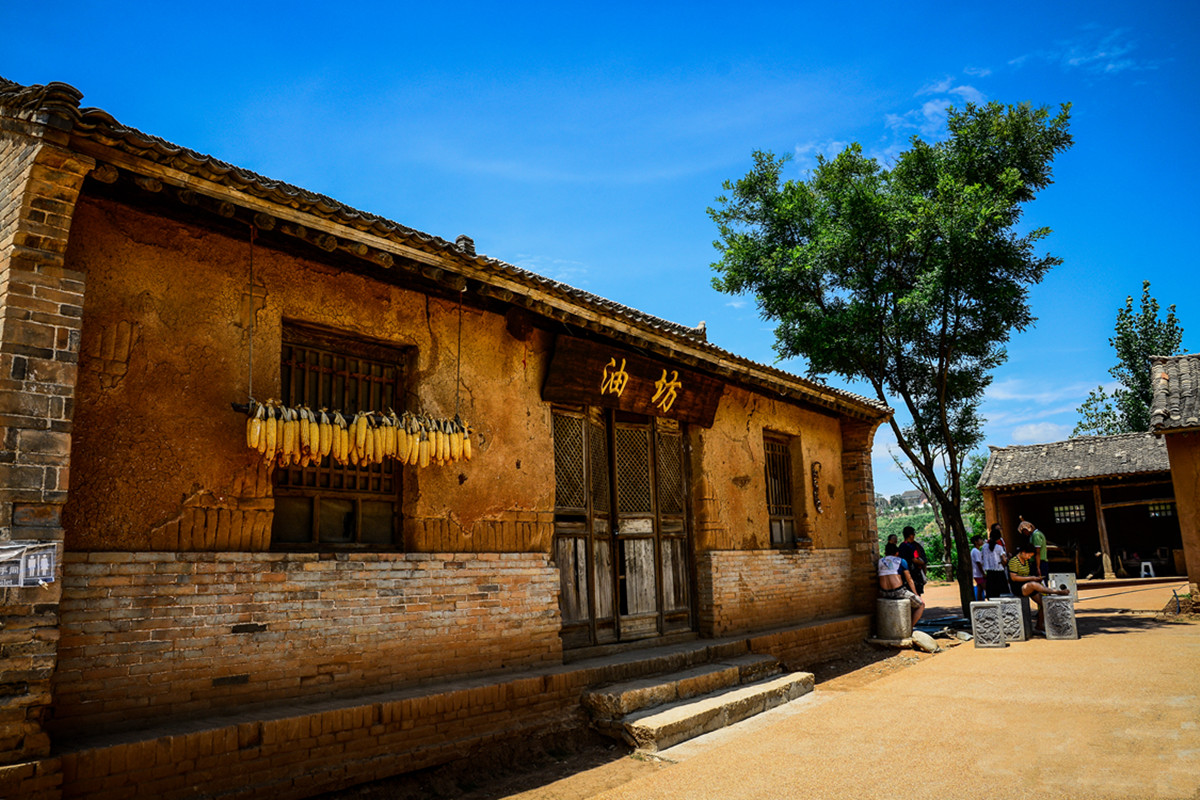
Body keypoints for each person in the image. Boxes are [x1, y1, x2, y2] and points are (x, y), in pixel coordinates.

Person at [1008, 542, 1070, 633]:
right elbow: (1014, 577)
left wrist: (1035, 578)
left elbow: (1028, 574)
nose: (1029, 557)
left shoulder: (1026, 561)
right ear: (1023, 552)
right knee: (1032, 584)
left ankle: (1039, 625)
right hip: (1018, 587)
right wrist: (1031, 578)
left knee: (1044, 603)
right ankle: (1057, 592)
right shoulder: (1013, 561)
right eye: (1029, 555)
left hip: (1027, 585)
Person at [878, 542, 924, 626]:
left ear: (885, 553)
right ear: (897, 553)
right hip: (898, 592)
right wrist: (916, 594)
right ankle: (909, 628)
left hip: (883, 592)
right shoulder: (901, 561)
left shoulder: (880, 562)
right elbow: (909, 579)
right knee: (921, 605)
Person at [897, 526, 928, 596]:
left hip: (904, 576)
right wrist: (922, 563)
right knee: (917, 595)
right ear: (911, 535)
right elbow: (917, 560)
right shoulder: (915, 546)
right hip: (915, 575)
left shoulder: (901, 546)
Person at [981, 524, 1010, 598]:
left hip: (989, 572)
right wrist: (1002, 564)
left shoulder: (984, 547)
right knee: (1002, 593)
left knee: (992, 592)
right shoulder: (999, 547)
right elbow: (1004, 560)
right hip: (999, 571)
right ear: (998, 538)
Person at [969, 534, 986, 600]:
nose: (981, 541)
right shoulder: (975, 551)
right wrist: (983, 573)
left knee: (980, 589)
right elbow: (978, 563)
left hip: (977, 574)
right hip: (978, 574)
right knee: (985, 587)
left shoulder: (976, 551)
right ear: (976, 542)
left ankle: (980, 603)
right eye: (980, 540)